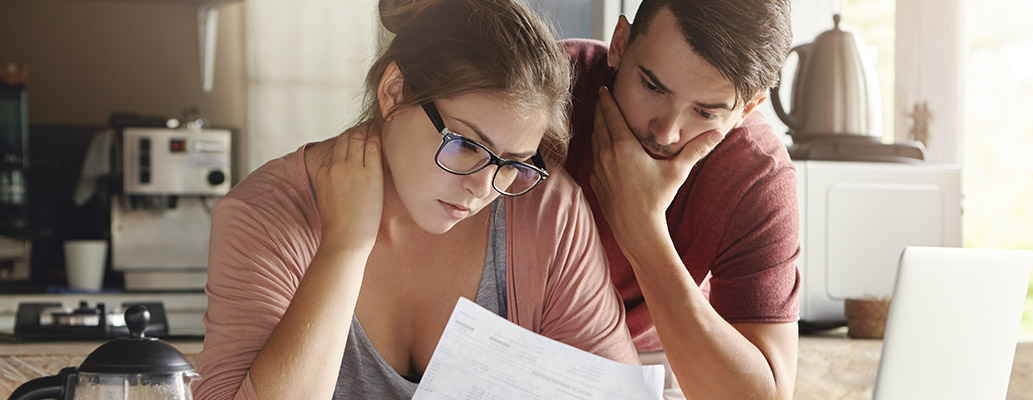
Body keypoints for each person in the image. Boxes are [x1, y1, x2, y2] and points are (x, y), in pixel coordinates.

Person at [192, 0, 639, 398]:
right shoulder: (265, 216)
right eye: (466, 144)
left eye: (513, 162)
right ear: (394, 93)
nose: (484, 188)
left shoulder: (547, 212)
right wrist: (344, 247)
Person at [560, 0, 800, 399]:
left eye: (705, 113)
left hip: (658, 360)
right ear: (620, 42)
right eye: (653, 87)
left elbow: (765, 396)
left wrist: (643, 231)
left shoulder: (756, 174)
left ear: (749, 107)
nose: (667, 132)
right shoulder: (541, 88)